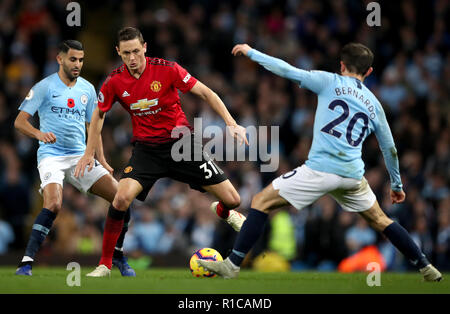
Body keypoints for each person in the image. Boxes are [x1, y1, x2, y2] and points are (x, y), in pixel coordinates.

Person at [198, 43, 443, 282]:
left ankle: (232, 265)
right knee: (381, 220)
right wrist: (397, 185)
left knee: (261, 201)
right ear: (369, 72)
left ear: (342, 65)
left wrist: (252, 53)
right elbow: (389, 148)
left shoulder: (330, 81)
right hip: (352, 176)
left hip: (320, 170)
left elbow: (287, 70)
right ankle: (425, 266)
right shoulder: (375, 105)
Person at [74, 27, 248, 277]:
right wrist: (90, 152)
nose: (132, 58)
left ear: (144, 47)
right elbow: (98, 114)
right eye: (126, 54)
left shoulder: (167, 69)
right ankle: (104, 264)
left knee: (233, 200)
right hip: (147, 151)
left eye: (136, 51)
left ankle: (222, 212)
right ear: (118, 53)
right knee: (121, 198)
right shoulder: (114, 81)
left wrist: (231, 123)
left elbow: (206, 92)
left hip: (182, 145)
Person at [14, 40, 135, 277]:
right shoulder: (44, 87)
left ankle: (118, 256)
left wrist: (102, 158)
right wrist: (39, 134)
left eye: (80, 59)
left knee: (122, 197)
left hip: (81, 156)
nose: (77, 64)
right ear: (60, 59)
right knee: (54, 204)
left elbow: (94, 127)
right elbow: (19, 122)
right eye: (73, 59)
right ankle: (26, 262)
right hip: (52, 156)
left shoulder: (88, 89)